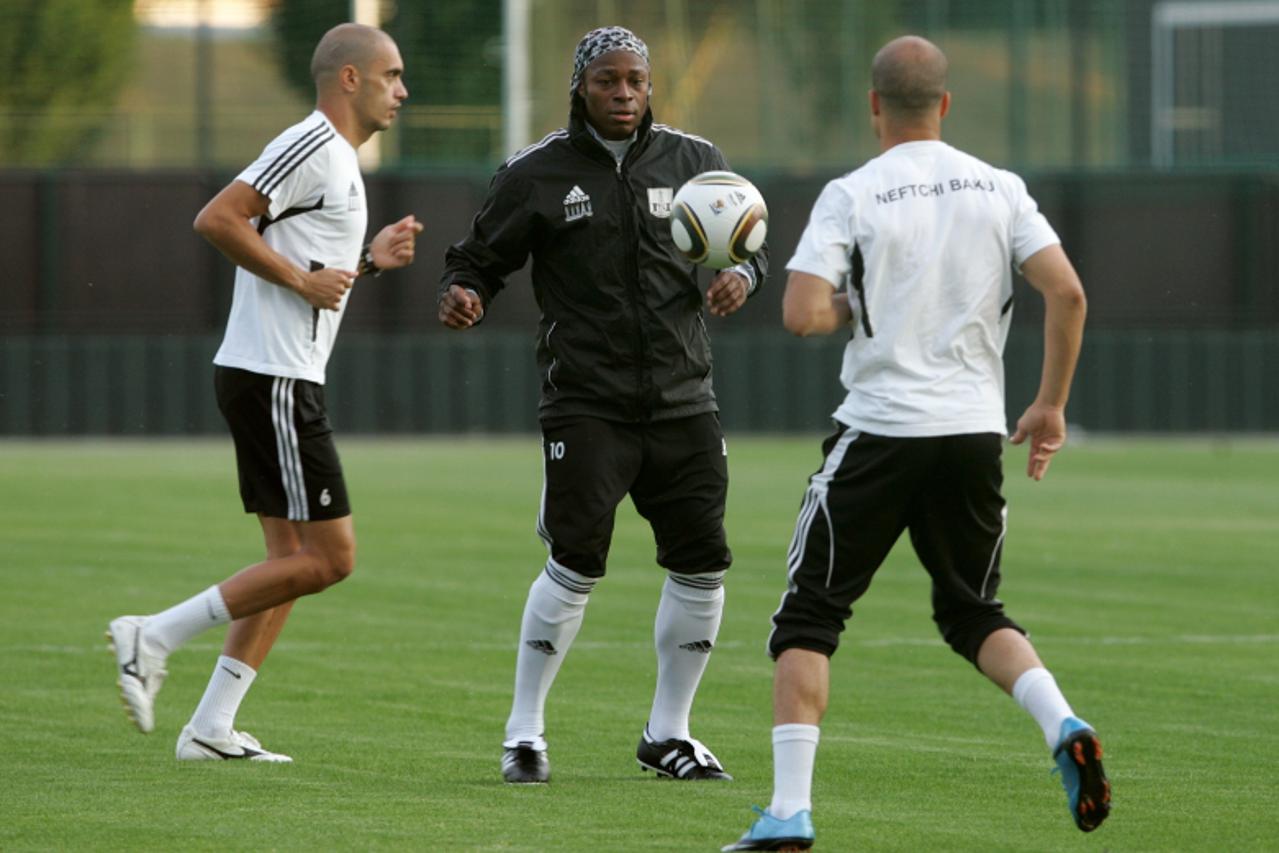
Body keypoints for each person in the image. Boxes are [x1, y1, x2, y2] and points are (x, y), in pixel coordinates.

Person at [724, 35, 1107, 851]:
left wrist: (836, 311)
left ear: (872, 108)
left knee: (808, 618)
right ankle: (1060, 719)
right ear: (945, 104)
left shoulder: (852, 193)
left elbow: (798, 312)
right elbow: (1067, 291)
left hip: (882, 432)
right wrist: (1047, 405)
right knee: (972, 608)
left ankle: (788, 811)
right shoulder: (1000, 188)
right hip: (972, 433)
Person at [439, 25, 768, 785]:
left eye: (635, 82)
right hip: (585, 400)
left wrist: (741, 278)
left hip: (685, 398)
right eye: (607, 82)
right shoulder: (536, 173)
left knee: (701, 565)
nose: (623, 95)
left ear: (650, 86)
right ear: (580, 88)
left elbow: (749, 244)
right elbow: (476, 260)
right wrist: (462, 294)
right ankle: (523, 732)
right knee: (574, 561)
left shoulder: (696, 162)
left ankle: (669, 732)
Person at [106, 22, 423, 762]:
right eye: (391, 75)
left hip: (274, 374)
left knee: (287, 559)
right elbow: (217, 217)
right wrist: (302, 278)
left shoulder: (340, 160)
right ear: (349, 78)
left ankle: (210, 727)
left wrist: (366, 265)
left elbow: (307, 271)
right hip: (273, 377)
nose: (402, 90)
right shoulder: (312, 142)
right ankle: (152, 633)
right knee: (330, 557)